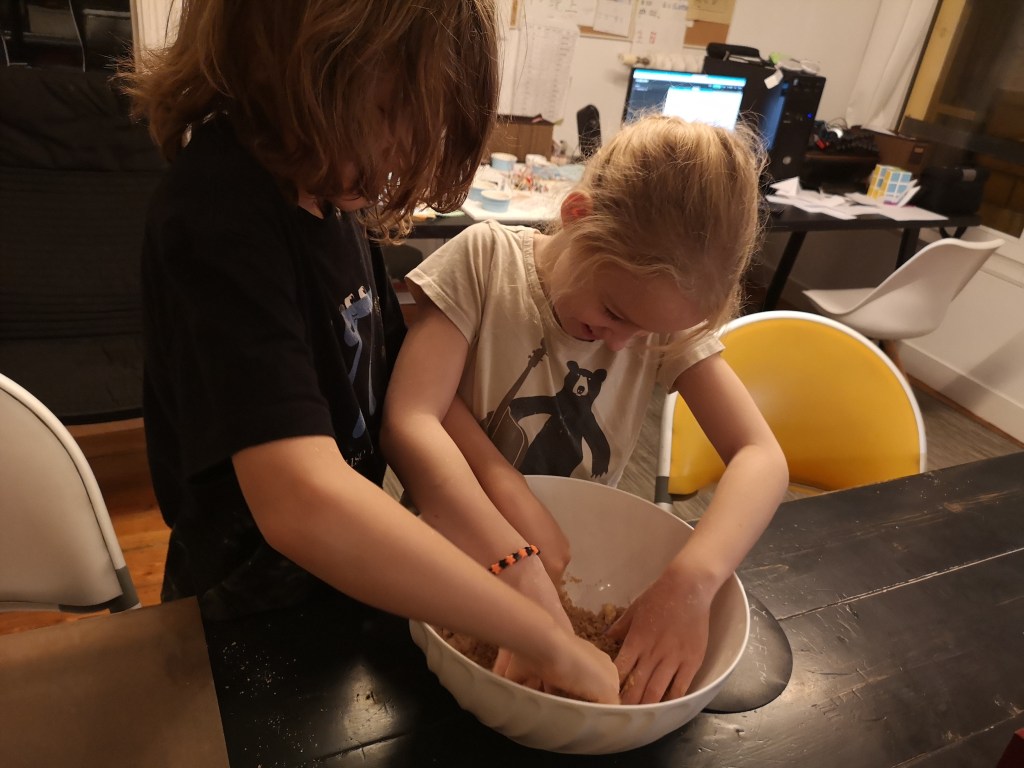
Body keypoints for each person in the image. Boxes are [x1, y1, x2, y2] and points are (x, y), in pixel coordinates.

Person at [117, 0, 619, 704]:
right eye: (386, 114)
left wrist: (514, 555)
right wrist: (544, 638)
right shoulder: (218, 212)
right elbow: (302, 500)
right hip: (241, 607)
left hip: (341, 588)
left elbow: (404, 397)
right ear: (287, 60)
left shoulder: (328, 196)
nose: (397, 157)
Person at [381, 115, 790, 704]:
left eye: (647, 332)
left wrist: (692, 581)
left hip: (561, 569)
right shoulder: (485, 262)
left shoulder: (653, 318)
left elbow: (761, 456)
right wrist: (510, 505)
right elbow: (413, 417)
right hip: (445, 554)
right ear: (577, 217)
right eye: (615, 314)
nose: (622, 345)